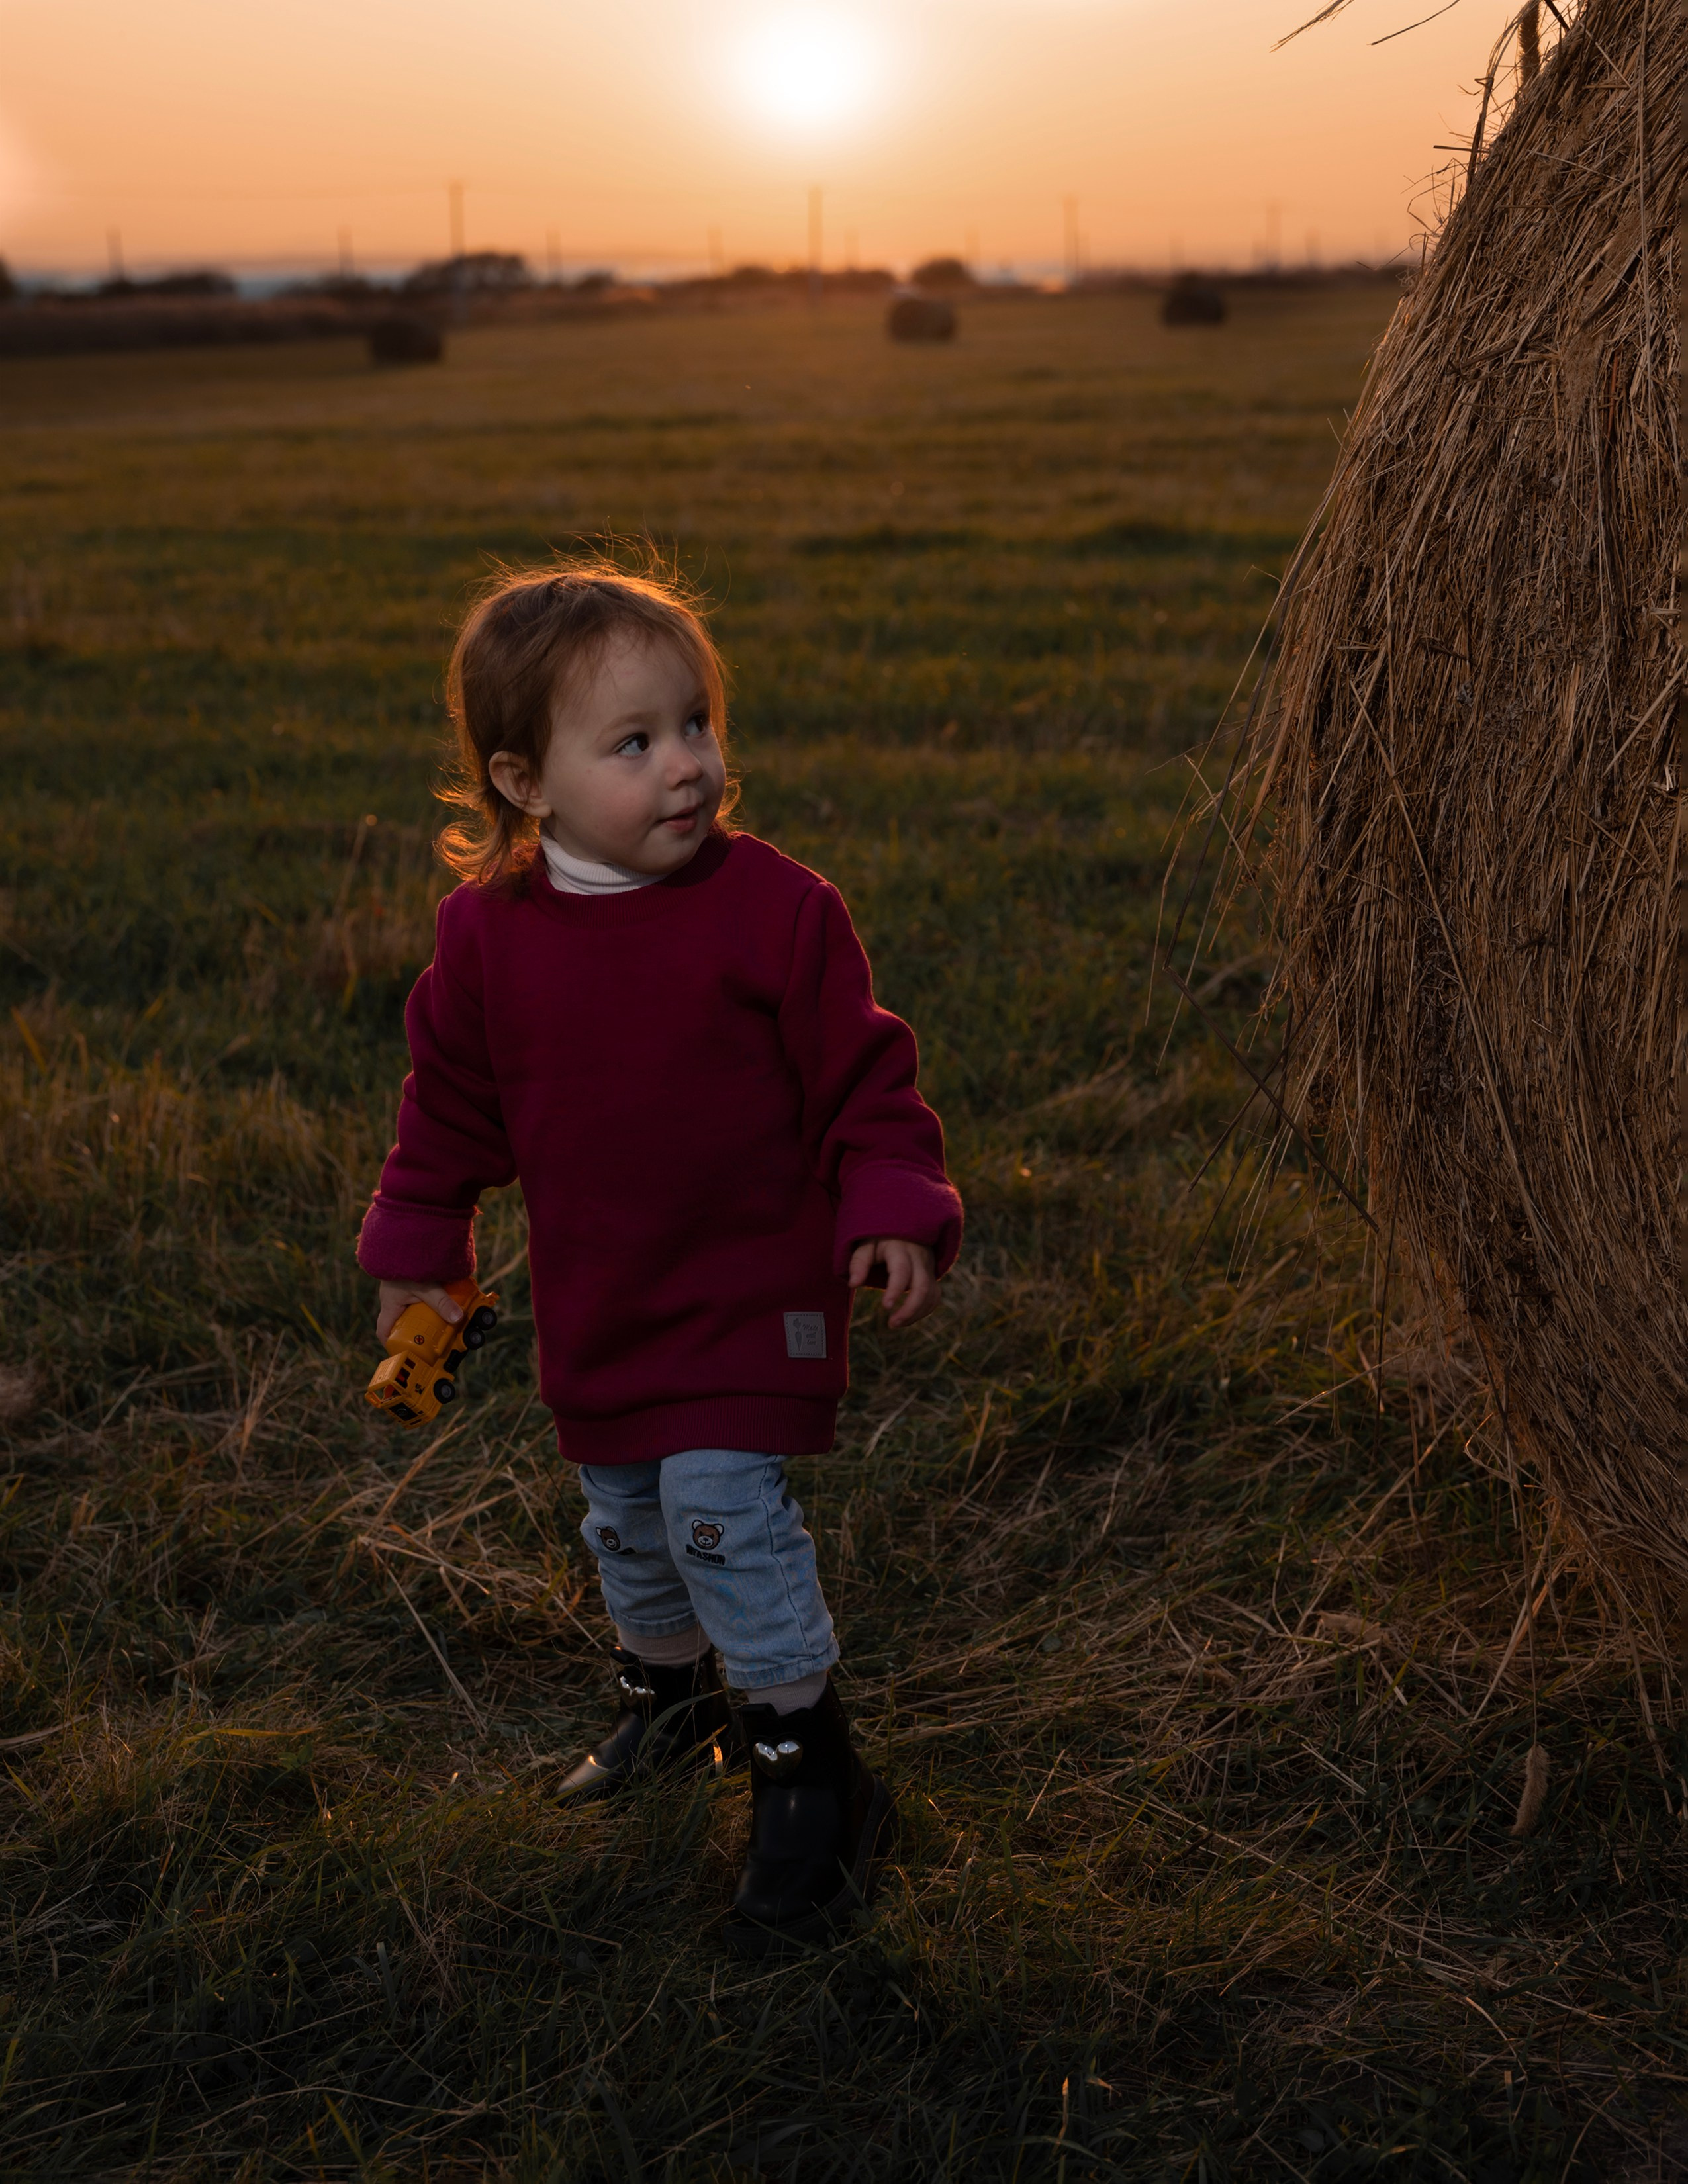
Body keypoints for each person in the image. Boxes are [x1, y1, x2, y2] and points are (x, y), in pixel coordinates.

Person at [357, 561, 962, 1955]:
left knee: (717, 1515)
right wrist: (420, 1247)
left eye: (694, 724)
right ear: (526, 781)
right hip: (604, 1296)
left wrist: (893, 1203)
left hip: (753, 1291)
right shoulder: (488, 943)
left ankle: (814, 1773)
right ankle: (670, 1697)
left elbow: (868, 1082)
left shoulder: (780, 913)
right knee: (625, 1519)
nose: (687, 766)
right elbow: (448, 1109)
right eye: (635, 744)